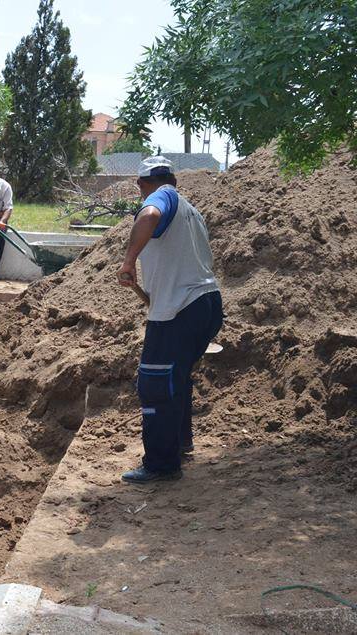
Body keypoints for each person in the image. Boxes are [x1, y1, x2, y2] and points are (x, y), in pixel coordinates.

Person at [117, 156, 223, 484]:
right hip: (205, 305)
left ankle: (161, 465)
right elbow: (168, 288)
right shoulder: (192, 213)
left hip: (182, 310)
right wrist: (140, 289)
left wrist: (129, 259)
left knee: (156, 384)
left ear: (142, 184)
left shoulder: (160, 198)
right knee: (176, 377)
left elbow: (149, 214)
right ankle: (179, 444)